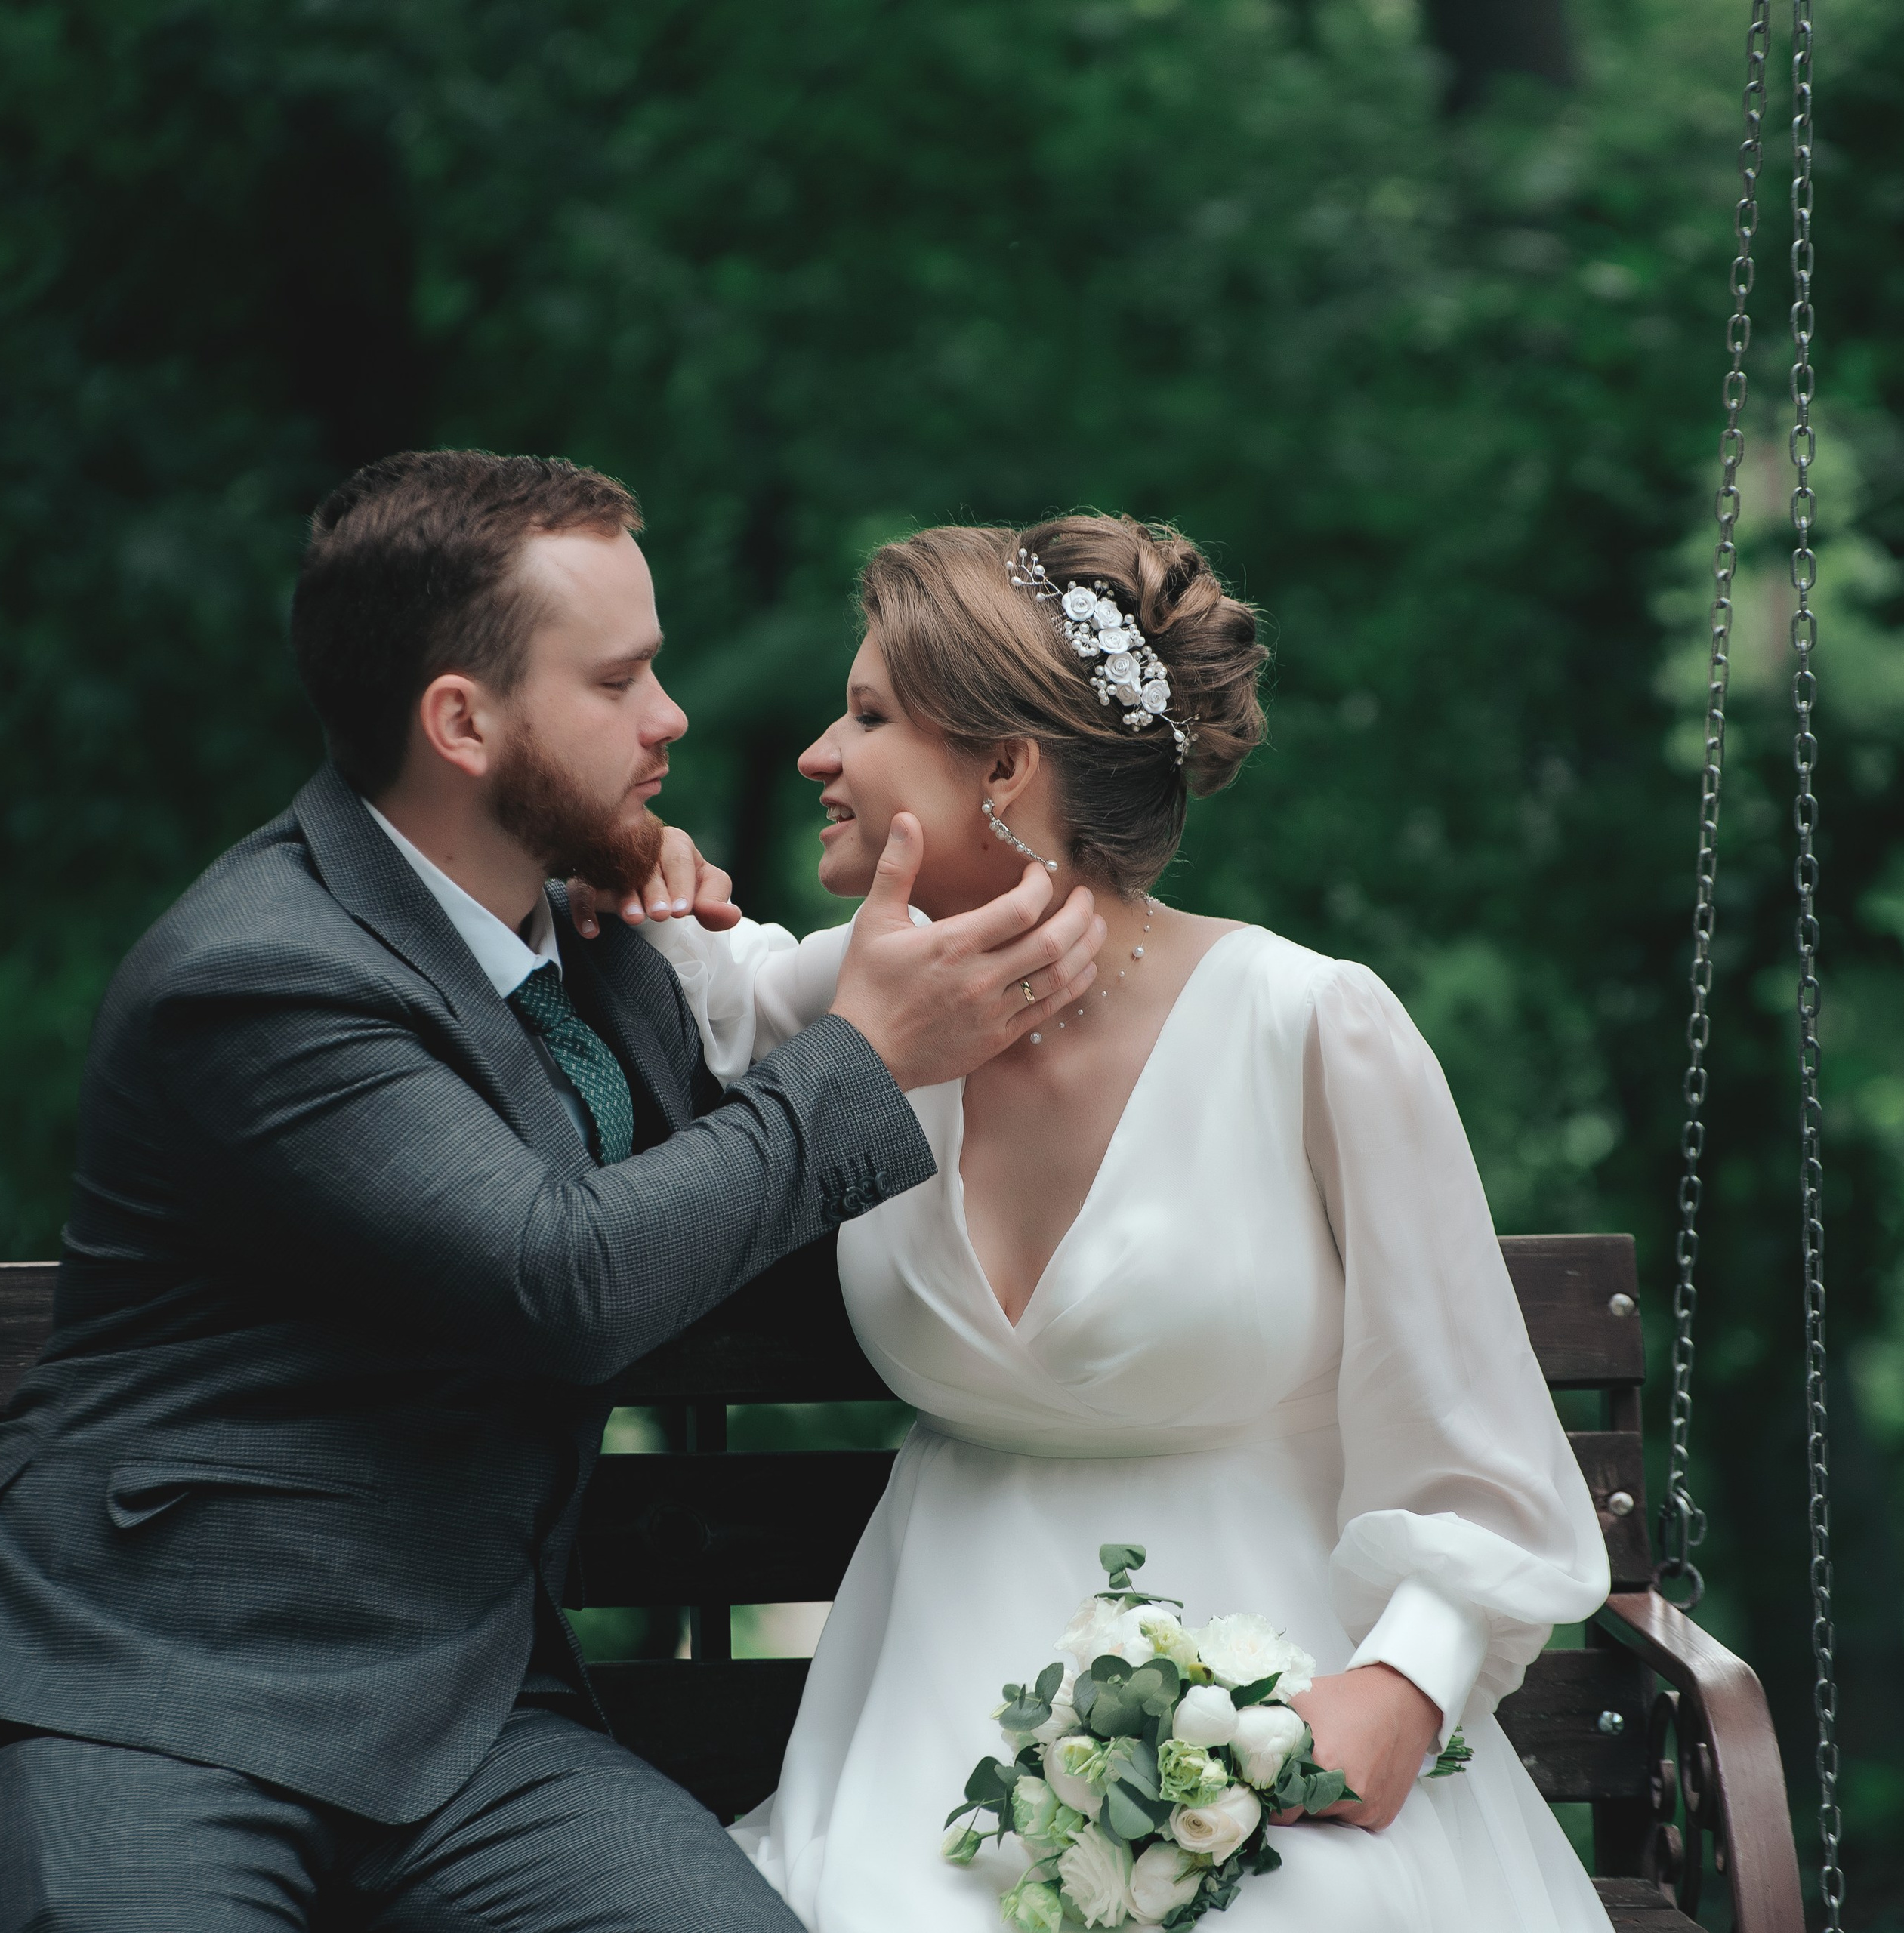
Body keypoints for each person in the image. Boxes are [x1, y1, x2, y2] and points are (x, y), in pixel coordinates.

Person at [0, 452, 1109, 1933]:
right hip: (170, 1693)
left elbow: (721, 1184)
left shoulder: (591, 937)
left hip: (470, 1722)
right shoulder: (256, 974)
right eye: (618, 680)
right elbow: (562, 1276)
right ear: (461, 720)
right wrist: (871, 1056)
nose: (672, 719)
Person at [631, 515, 1615, 1931]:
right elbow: (698, 999)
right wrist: (637, 855)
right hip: (936, 1718)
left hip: (1267, 1701)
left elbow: (1482, 1456)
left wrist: (1401, 1685)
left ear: (1004, 770)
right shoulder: (872, 1002)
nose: (816, 757)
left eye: (866, 717)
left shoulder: (1311, 1026)